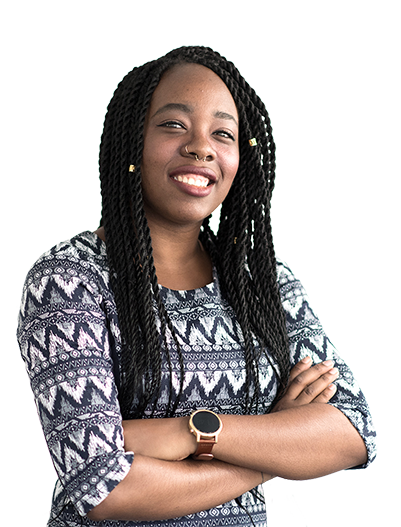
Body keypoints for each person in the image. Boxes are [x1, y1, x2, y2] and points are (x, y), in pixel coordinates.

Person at [17, 46, 377, 527]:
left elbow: (355, 432)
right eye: (173, 125)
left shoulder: (262, 282)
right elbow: (103, 488)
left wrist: (196, 433)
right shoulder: (70, 280)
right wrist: (276, 440)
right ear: (131, 143)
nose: (201, 147)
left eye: (223, 133)